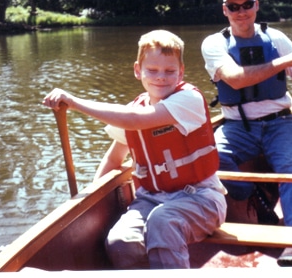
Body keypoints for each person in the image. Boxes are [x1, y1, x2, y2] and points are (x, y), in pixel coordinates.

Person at [42, 30, 227, 269]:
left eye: (170, 71)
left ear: (181, 72)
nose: (161, 77)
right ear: (138, 70)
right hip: (150, 199)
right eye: (152, 70)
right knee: (121, 241)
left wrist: (75, 102)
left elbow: (134, 120)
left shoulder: (187, 100)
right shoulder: (135, 108)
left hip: (201, 199)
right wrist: (86, 204)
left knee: (163, 221)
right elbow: (114, 158)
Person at [201, 0, 292, 229]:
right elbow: (236, 80)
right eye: (234, 7)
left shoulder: (277, 39)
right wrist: (287, 61)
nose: (241, 12)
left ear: (256, 5)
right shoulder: (214, 43)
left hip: (279, 122)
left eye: (246, 4)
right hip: (236, 126)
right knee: (210, 157)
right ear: (224, 10)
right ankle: (254, 197)